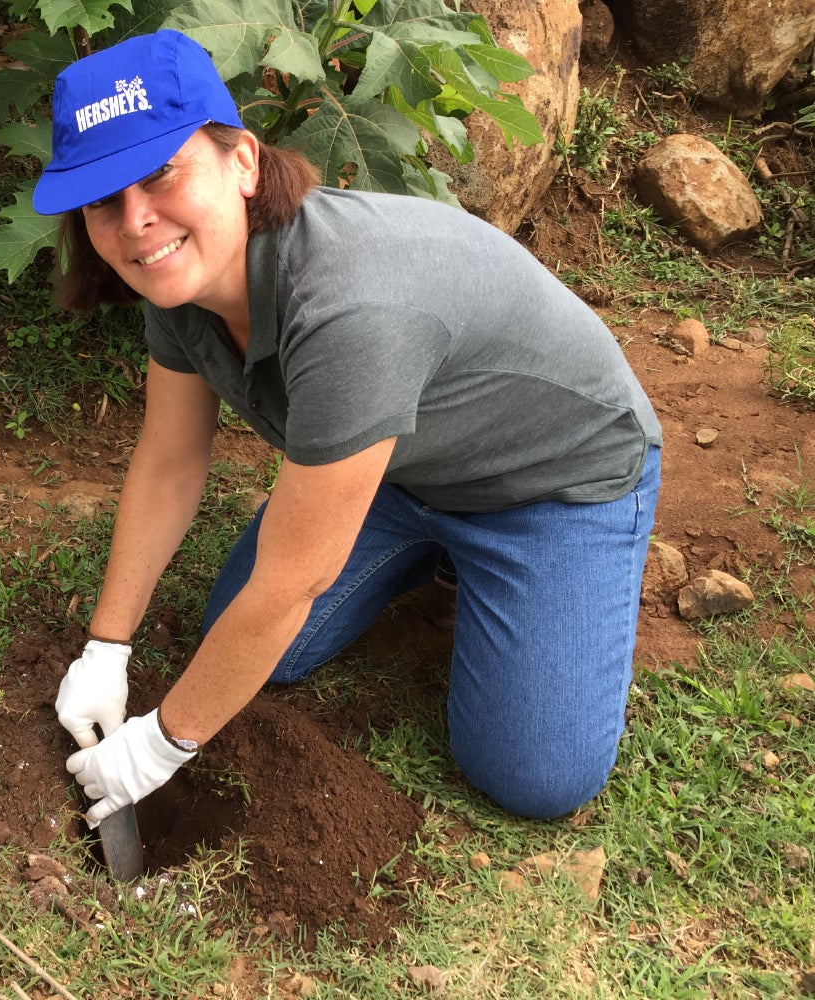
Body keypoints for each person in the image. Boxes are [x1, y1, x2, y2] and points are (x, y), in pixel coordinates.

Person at [33, 29, 663, 829]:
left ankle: (520, 570)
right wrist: (106, 645)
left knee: (533, 777)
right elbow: (169, 461)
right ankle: (429, 549)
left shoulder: (352, 311)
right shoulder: (182, 290)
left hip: (551, 483)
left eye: (160, 173)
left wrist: (163, 744)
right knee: (265, 650)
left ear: (244, 162)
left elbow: (292, 580)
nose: (136, 222)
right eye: (102, 199)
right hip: (405, 469)